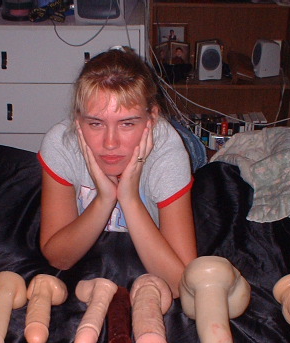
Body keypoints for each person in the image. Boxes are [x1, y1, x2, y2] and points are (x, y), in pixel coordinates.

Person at [38, 47, 197, 298]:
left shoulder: (168, 151)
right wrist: (105, 198)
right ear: (78, 120)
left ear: (151, 119)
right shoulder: (61, 143)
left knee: (195, 151)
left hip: (173, 144)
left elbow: (181, 285)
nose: (110, 143)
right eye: (96, 123)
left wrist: (129, 197)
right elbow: (58, 258)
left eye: (127, 123)